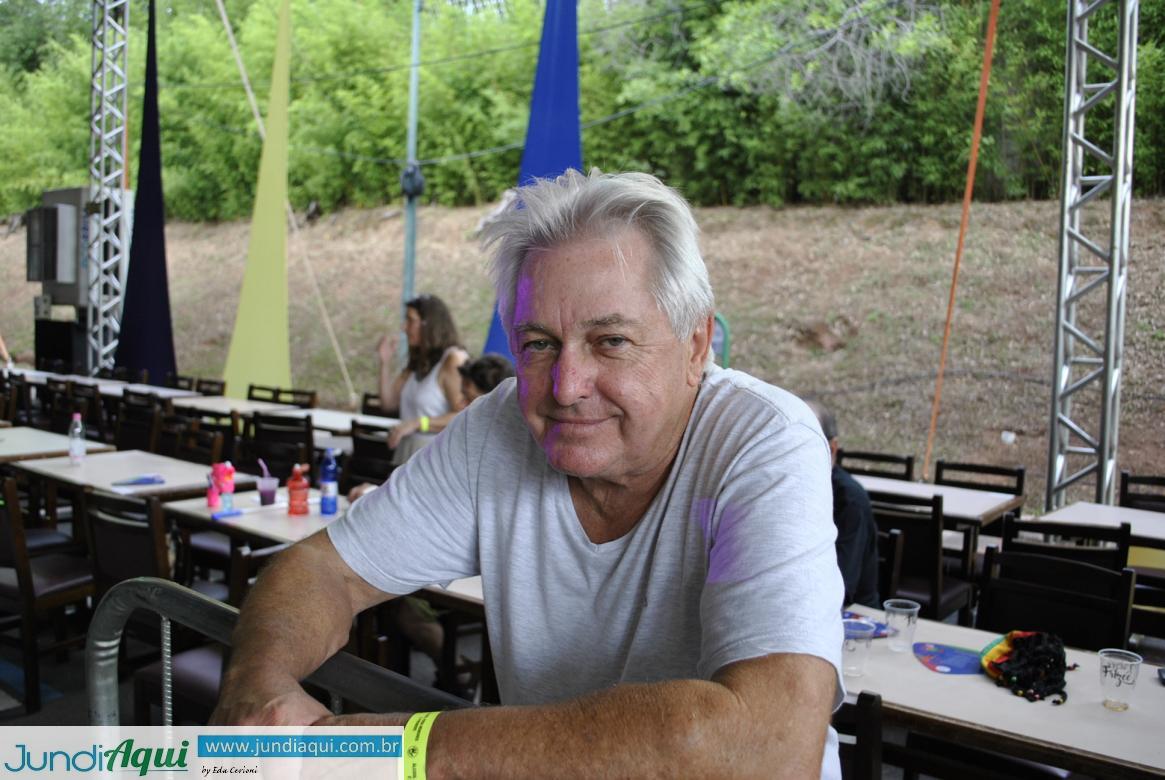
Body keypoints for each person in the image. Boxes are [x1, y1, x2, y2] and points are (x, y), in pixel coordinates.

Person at [213, 170, 844, 778]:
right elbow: (323, 570)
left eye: (611, 341)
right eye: (540, 344)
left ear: (697, 346)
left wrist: (401, 752)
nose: (566, 387)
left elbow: (768, 748)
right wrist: (257, 687)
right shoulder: (496, 429)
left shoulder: (765, 440)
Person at [377, 294, 469, 466]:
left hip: (434, 459)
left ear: (429, 324)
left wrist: (419, 423)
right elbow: (388, 403)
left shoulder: (452, 360)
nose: (404, 327)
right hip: (408, 453)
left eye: (411, 320)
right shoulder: (418, 361)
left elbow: (464, 416)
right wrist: (384, 363)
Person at [806, 399, 880, 609]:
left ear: (832, 449)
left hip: (854, 614)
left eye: (804, 445)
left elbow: (841, 588)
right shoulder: (786, 490)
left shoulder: (849, 500)